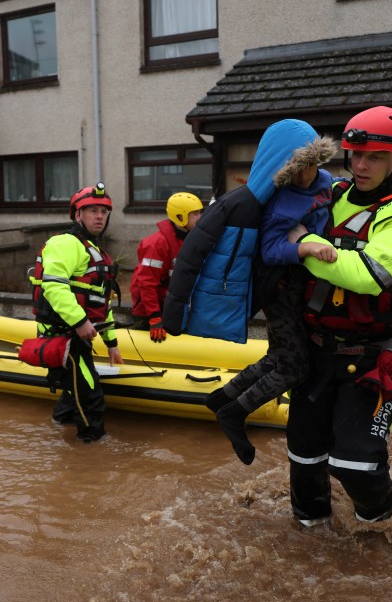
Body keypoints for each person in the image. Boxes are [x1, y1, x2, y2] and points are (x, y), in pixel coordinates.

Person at [285, 105, 392, 526]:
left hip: (370, 361)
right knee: (304, 458)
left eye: (374, 157)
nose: (361, 165)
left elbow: (367, 276)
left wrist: (304, 242)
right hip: (314, 354)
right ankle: (310, 535)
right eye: (354, 155)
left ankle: (382, 530)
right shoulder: (329, 196)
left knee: (355, 465)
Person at [204, 135, 338, 465]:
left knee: (278, 355)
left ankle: (223, 396)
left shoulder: (327, 182)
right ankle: (235, 413)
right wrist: (304, 246)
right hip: (279, 288)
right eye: (294, 171)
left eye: (308, 167)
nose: (303, 176)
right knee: (294, 367)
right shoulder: (279, 202)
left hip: (303, 286)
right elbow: (270, 250)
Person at [162, 118, 326, 345]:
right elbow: (191, 256)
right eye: (297, 167)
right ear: (279, 164)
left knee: (290, 361)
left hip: (304, 295)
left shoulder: (324, 192)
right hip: (251, 298)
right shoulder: (238, 206)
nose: (306, 175)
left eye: (312, 164)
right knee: (287, 363)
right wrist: (173, 313)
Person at [29, 182, 124, 442]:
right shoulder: (65, 244)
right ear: (77, 215)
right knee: (90, 394)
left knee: (76, 390)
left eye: (103, 212)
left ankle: (59, 423)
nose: (99, 216)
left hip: (79, 337)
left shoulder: (95, 252)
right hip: (63, 337)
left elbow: (101, 303)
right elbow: (54, 287)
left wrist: (111, 344)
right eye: (92, 210)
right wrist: (80, 321)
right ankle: (93, 451)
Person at [129, 192, 203, 343]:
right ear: (180, 217)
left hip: (172, 307)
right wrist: (155, 317)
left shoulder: (191, 239)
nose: (199, 217)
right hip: (149, 312)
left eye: (199, 212)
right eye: (194, 214)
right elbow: (147, 283)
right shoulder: (156, 244)